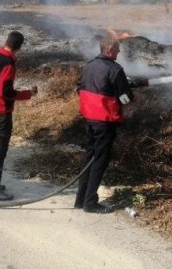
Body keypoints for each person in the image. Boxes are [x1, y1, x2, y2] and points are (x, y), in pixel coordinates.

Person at [74, 36, 134, 213]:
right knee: (100, 160)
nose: (119, 52)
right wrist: (130, 96)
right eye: (117, 49)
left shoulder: (89, 66)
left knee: (89, 157)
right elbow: (124, 98)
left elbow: (79, 87)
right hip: (104, 121)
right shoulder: (115, 70)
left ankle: (80, 198)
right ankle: (90, 202)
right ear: (109, 50)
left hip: (89, 119)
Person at [0, 31, 37, 201]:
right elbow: (6, 92)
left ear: (6, 40)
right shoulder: (7, 64)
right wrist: (28, 94)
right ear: (19, 47)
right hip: (0, 114)